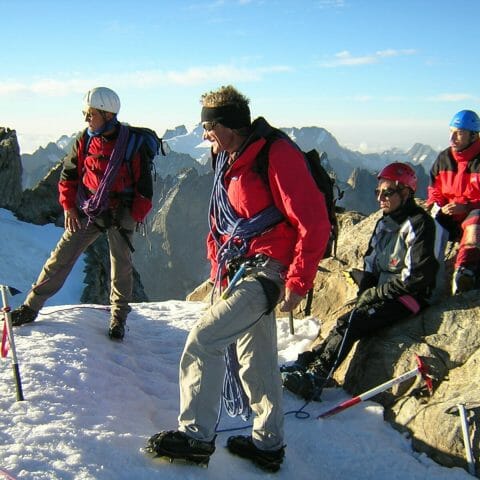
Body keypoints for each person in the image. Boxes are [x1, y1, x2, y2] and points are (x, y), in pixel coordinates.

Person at [145, 85, 330, 471]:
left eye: (208, 127)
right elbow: (223, 220)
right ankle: (268, 443)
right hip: (239, 267)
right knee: (257, 360)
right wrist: (219, 266)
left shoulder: (276, 154)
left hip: (268, 269)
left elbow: (313, 222)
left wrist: (298, 282)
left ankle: (196, 437)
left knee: (204, 338)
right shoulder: (228, 156)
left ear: (227, 125)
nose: (204, 135)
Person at [282, 162, 439, 401]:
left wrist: (375, 294)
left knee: (354, 322)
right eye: (378, 192)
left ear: (406, 193)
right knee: (345, 320)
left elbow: (417, 277)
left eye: (387, 192)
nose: (380, 198)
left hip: (410, 297)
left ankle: (318, 377)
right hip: (386, 293)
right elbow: (371, 264)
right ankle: (308, 362)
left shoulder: (419, 224)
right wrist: (367, 289)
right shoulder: (384, 223)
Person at [11, 86, 154, 340]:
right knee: (61, 256)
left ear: (108, 115)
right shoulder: (84, 140)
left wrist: (131, 218)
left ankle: (118, 319)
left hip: (121, 211)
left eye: (90, 114)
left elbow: (144, 187)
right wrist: (68, 207)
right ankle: (31, 307)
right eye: (85, 113)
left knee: (120, 264)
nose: (86, 118)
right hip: (90, 208)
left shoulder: (132, 145)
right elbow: (68, 176)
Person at [427, 109, 480, 294]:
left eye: (459, 133)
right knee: (430, 224)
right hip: (451, 216)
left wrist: (466, 207)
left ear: (473, 135)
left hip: (472, 215)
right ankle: (426, 272)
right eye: (452, 131)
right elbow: (435, 188)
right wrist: (437, 204)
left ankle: (465, 271)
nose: (453, 137)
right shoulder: (444, 158)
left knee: (475, 221)